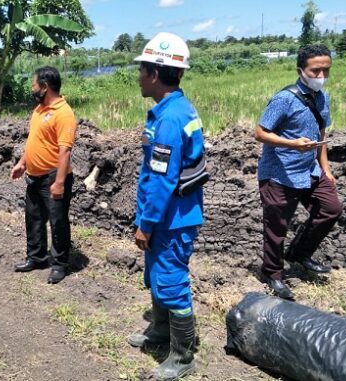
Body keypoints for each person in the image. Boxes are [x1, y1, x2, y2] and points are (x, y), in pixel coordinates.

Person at [126, 32, 204, 381]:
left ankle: (182, 356)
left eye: (141, 70)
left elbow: (162, 181)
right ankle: (160, 332)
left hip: (171, 218)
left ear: (155, 74)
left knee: (171, 281)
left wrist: (146, 223)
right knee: (157, 276)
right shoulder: (173, 110)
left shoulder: (170, 119)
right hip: (168, 216)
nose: (138, 76)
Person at [255, 44, 343, 300]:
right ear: (300, 70)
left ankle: (299, 253)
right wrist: (292, 143)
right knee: (276, 227)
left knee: (331, 209)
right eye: (316, 70)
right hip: (279, 173)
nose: (322, 75)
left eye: (326, 69)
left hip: (310, 170)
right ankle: (273, 273)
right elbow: (260, 132)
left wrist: (326, 168)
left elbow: (321, 133)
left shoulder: (322, 97)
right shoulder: (284, 99)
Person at [11, 66, 77, 285]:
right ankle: (37, 257)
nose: (32, 89)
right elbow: (35, 141)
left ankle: (59, 264)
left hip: (53, 178)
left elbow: (64, 150)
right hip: (34, 175)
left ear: (45, 86)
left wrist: (59, 182)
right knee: (34, 218)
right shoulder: (39, 110)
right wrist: (22, 162)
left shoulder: (63, 113)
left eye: (34, 85)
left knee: (57, 222)